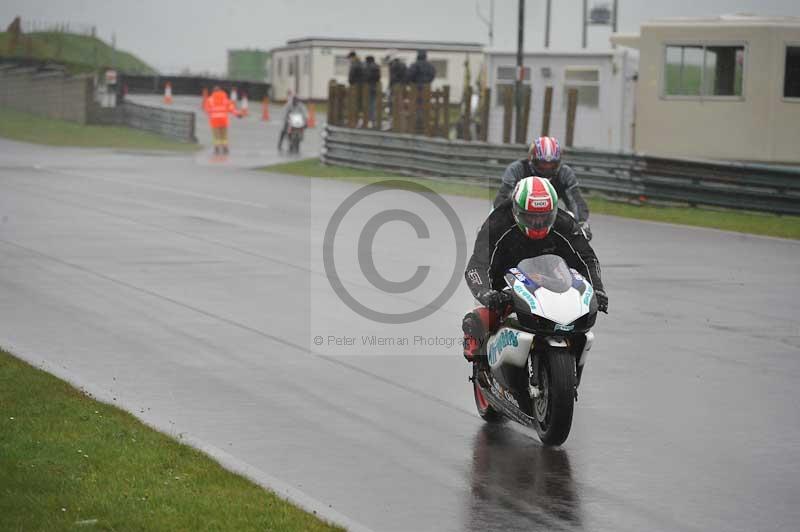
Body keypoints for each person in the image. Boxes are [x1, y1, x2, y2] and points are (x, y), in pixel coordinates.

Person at [462, 176, 608, 362]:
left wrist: (597, 288)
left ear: (553, 211)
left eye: (544, 216)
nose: (538, 222)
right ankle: (479, 350)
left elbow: (587, 258)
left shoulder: (563, 222)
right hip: (502, 278)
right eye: (531, 216)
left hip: (548, 275)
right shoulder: (497, 223)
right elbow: (477, 265)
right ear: (516, 210)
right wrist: (485, 293)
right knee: (480, 320)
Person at [494, 136, 592, 239]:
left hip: (550, 218)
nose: (547, 168)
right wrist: (496, 222)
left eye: (552, 164)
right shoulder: (516, 169)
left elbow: (575, 200)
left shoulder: (565, 173)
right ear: (532, 159)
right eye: (543, 163)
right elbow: (504, 197)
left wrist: (581, 222)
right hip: (519, 217)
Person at [203, 86, 242, 155]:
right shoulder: (225, 99)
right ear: (221, 91)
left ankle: (217, 148)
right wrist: (238, 114)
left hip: (214, 120)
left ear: (213, 92)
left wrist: (212, 112)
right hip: (223, 120)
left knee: (216, 136)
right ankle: (225, 148)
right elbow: (231, 108)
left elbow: (207, 110)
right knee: (224, 135)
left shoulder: (209, 100)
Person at [364, 55, 381, 125]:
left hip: (369, 87)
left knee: (369, 104)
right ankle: (373, 120)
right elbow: (378, 77)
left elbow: (367, 76)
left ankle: (370, 119)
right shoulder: (377, 66)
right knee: (373, 104)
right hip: (375, 87)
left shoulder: (369, 67)